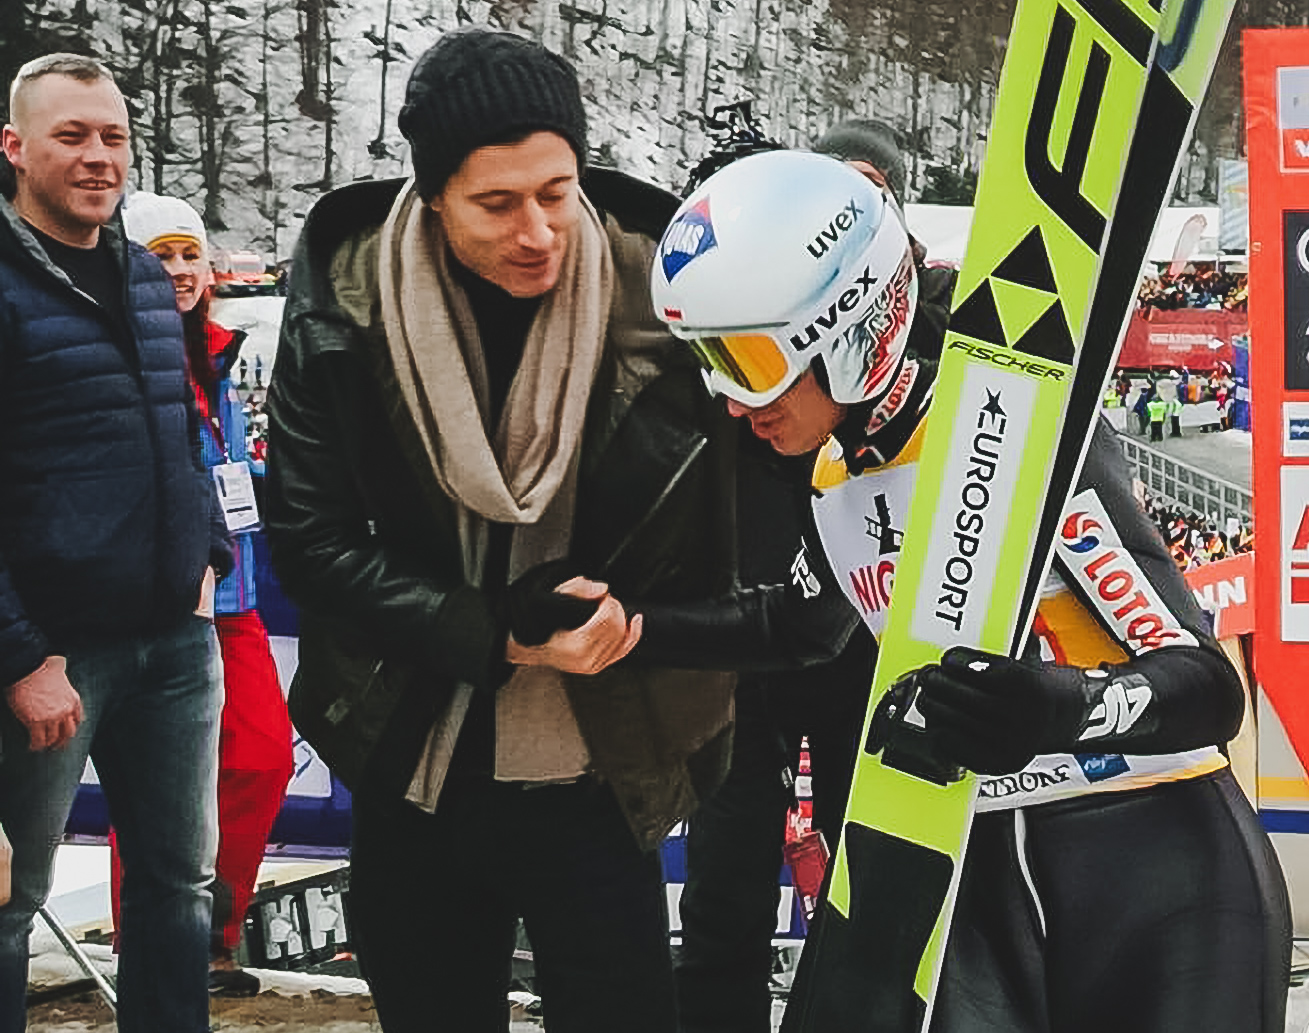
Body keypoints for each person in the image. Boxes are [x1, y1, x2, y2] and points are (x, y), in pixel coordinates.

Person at [264, 28, 849, 1032]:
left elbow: (789, 448)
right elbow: (313, 547)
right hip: (413, 752)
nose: (537, 229)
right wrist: (493, 629)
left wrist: (652, 622)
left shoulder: (665, 300)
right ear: (435, 195)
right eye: (497, 203)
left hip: (603, 758)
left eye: (556, 190)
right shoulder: (343, 310)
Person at [652, 149, 1290, 1032]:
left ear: (847, 328)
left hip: (1154, 868)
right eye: (711, 360)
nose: (732, 399)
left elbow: (1209, 688)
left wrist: (1057, 709)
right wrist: (632, 629)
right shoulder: (836, 471)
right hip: (983, 874)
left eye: (752, 359)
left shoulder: (1008, 420)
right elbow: (800, 623)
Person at [673, 121, 949, 1033]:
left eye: (869, 188)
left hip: (855, 650)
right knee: (724, 886)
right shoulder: (754, 334)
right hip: (752, 639)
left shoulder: (920, 324)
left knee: (869, 886)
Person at [0, 54, 230, 1033]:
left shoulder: (142, 275)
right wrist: (20, 655)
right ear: (14, 148)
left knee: (180, 885)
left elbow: (176, 428)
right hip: (53, 656)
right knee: (11, 900)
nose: (99, 157)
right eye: (72, 136)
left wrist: (206, 555)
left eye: (113, 137)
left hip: (176, 643)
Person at [117, 191, 294, 998]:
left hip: (236, 595)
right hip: (158, 602)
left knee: (259, 757)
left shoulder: (220, 353)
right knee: (156, 780)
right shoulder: (119, 350)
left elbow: (229, 473)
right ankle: (154, 941)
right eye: (161, 256)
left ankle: (216, 928)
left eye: (190, 253)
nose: (182, 271)